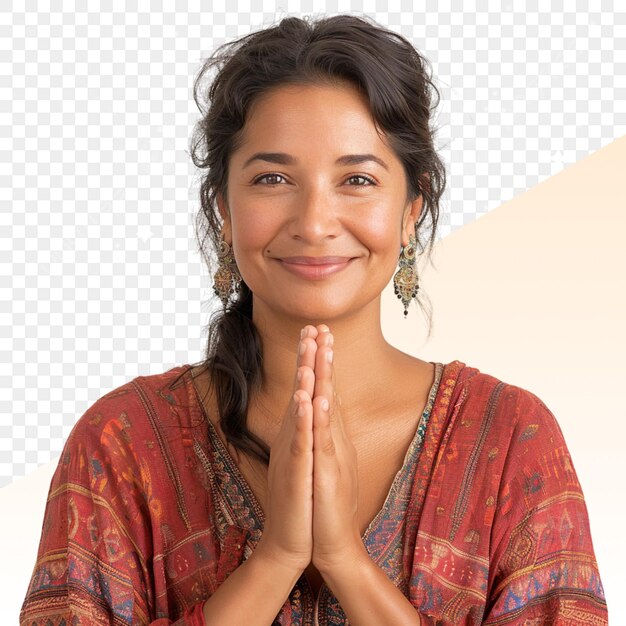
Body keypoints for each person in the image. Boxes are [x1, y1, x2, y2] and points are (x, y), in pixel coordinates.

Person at [20, 13, 607, 626]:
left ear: (412, 209)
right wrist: (275, 560)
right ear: (223, 208)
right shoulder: (120, 444)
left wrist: (345, 561)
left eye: (357, 179)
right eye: (272, 178)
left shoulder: (512, 440)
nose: (315, 221)